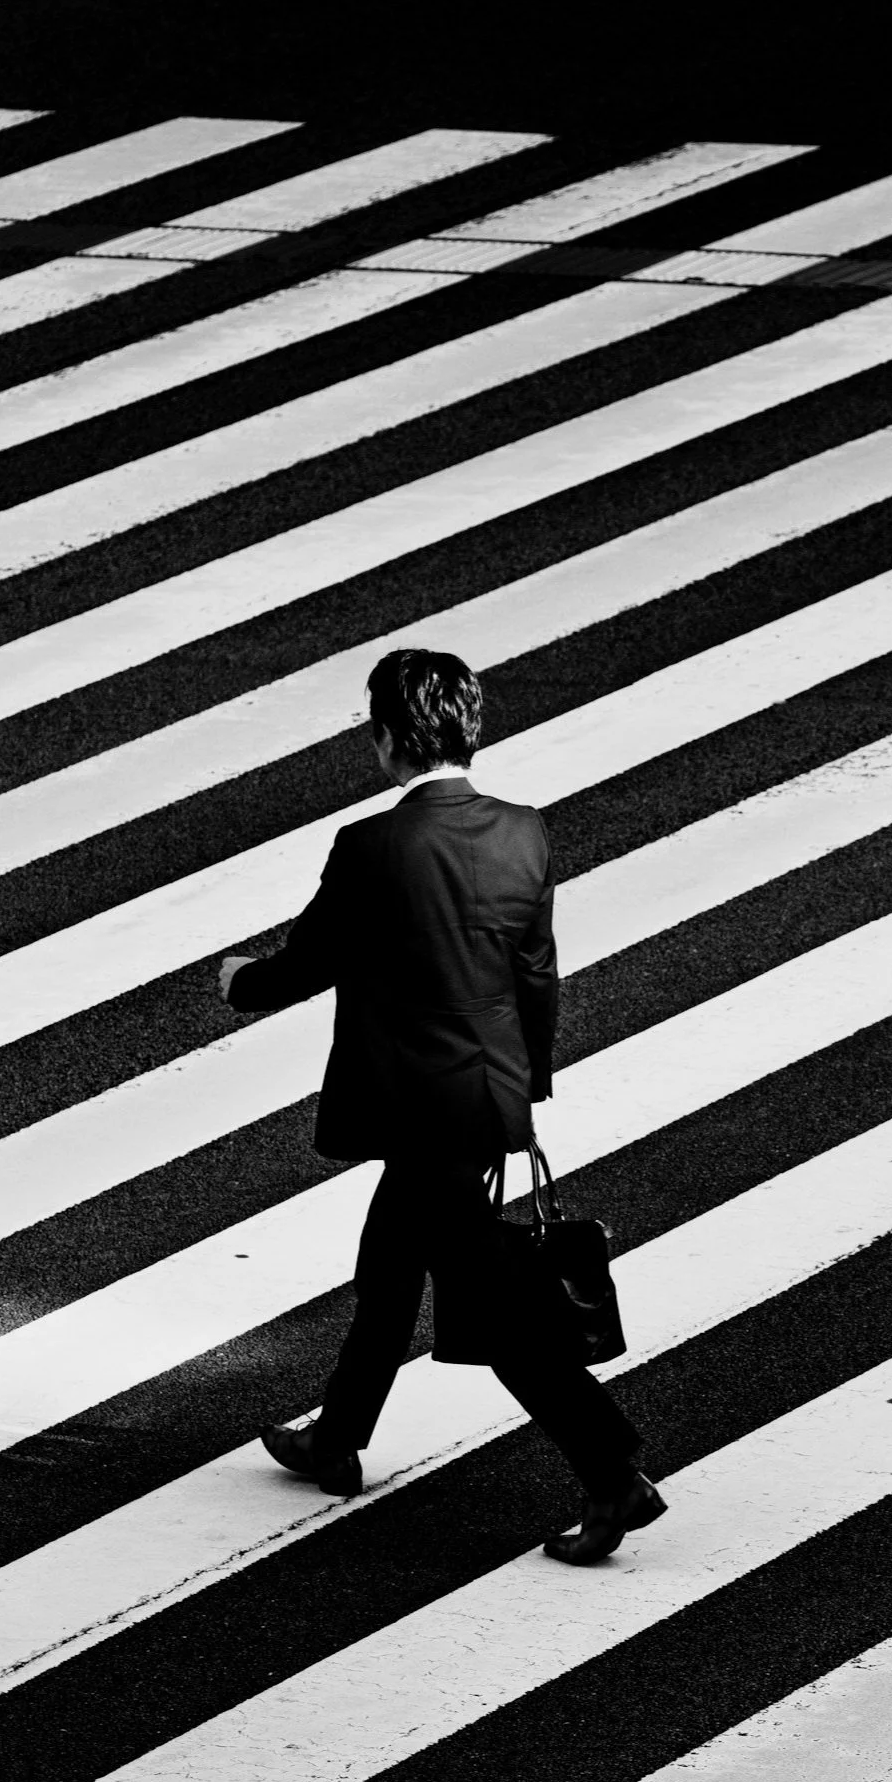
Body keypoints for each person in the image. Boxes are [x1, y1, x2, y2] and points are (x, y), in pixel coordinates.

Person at [217, 646, 665, 1565]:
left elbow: (307, 963)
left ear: (387, 738)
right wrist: (521, 1091)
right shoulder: (523, 833)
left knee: (495, 1314)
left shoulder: (372, 846)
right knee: (389, 1268)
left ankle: (613, 1474)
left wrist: (237, 982)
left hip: (415, 1106)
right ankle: (337, 1436)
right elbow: (535, 975)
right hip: (483, 1097)